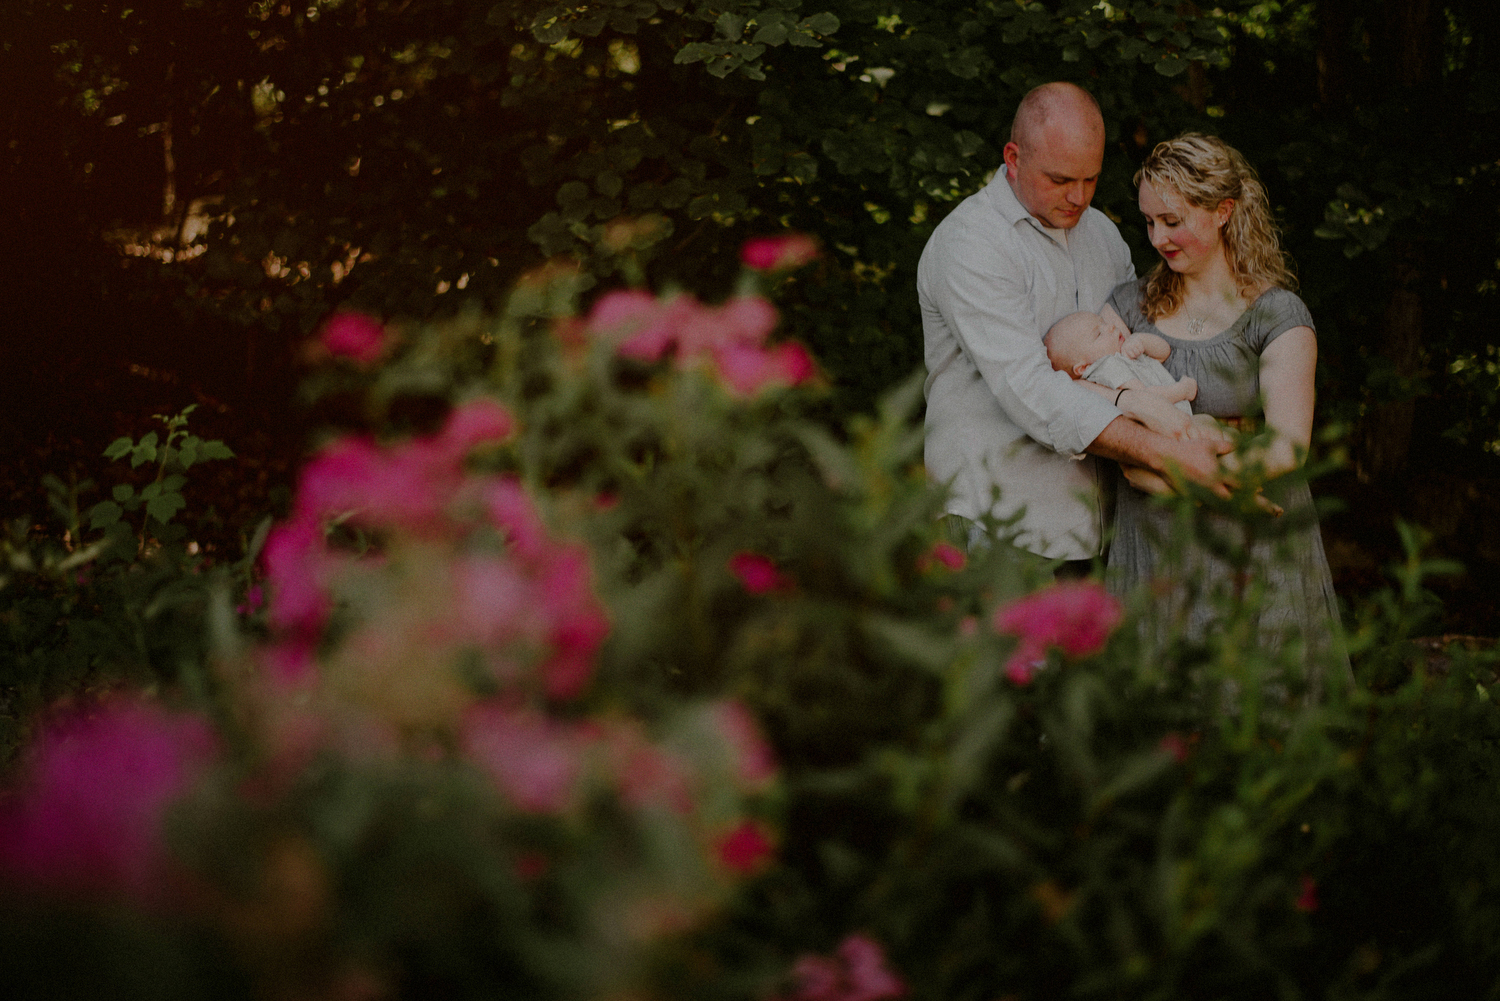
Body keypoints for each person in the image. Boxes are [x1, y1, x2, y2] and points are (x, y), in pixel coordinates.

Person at [919, 82, 1232, 573]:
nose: (1079, 196)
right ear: (1013, 157)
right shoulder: (972, 243)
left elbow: (1140, 352)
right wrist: (1165, 453)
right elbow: (1031, 389)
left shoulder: (1103, 236)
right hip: (998, 520)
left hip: (1098, 526)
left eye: (1091, 179)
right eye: (1061, 179)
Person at [1102, 132, 1345, 670]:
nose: (1159, 237)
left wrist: (1163, 467)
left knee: (1253, 709)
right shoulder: (1128, 308)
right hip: (1155, 535)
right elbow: (1094, 407)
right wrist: (1163, 461)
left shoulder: (1276, 314)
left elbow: (1284, 451)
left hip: (1252, 535)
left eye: (1173, 220)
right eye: (1149, 221)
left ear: (1223, 212)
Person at [1044, 310, 1201, 417]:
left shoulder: (1122, 352)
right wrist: (1182, 390)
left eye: (1104, 322)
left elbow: (1164, 352)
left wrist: (1142, 341)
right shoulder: (1106, 367)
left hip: (1179, 419)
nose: (1111, 327)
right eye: (1099, 334)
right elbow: (1145, 399)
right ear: (1084, 368)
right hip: (1167, 426)